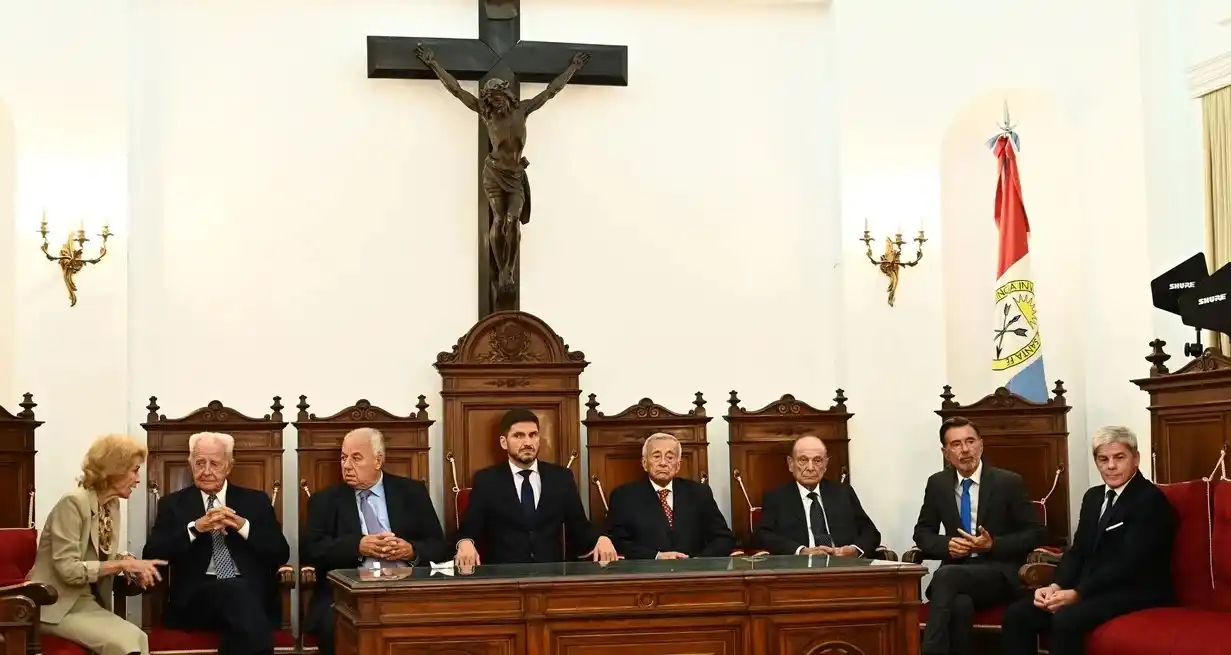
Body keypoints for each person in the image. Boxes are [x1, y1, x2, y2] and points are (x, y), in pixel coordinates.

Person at [1001, 426, 1175, 655]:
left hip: (1135, 591)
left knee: (1067, 619)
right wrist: (1056, 586)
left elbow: (1129, 562)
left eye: (1119, 457)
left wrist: (1079, 593)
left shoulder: (1149, 499)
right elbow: (1078, 551)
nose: (1111, 466)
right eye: (1103, 459)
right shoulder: (1093, 497)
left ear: (1136, 459)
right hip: (1093, 589)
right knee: (1017, 614)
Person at [304, 428, 449, 655]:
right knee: (336, 627)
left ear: (378, 460)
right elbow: (311, 550)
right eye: (343, 457)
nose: (346, 465)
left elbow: (439, 546)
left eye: (356, 458)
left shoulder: (412, 492)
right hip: (347, 593)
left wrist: (411, 551)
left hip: (406, 587)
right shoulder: (325, 501)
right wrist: (358, 546)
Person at [143, 432, 290, 655]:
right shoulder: (173, 505)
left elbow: (280, 553)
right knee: (236, 592)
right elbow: (152, 553)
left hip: (252, 598)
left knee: (241, 611)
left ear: (229, 467)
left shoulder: (255, 501)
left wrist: (242, 527)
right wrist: (196, 528)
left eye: (215, 464)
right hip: (197, 601)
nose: (207, 471)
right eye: (200, 463)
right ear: (190, 464)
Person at [913, 417, 1046, 655]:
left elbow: (1036, 533)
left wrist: (993, 544)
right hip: (956, 575)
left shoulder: (1008, 482)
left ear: (981, 445)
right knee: (960, 605)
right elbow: (922, 533)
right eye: (956, 444)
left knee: (946, 577)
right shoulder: (937, 484)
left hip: (997, 573)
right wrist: (946, 545)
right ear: (946, 453)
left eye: (970, 441)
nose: (965, 450)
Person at [28, 434, 165, 655]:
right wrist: (121, 567)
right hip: (55, 606)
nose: (138, 479)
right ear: (114, 469)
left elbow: (102, 556)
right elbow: (68, 569)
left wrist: (126, 560)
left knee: (139, 637)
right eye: (134, 470)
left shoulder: (112, 505)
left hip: (86, 601)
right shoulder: (72, 503)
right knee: (124, 644)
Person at [454, 408, 619, 566]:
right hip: (503, 577)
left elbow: (579, 526)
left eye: (533, 435)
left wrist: (601, 539)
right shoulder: (487, 480)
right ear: (504, 442)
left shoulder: (561, 478)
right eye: (518, 436)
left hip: (551, 575)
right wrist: (465, 542)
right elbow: (470, 526)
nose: (527, 442)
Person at [604, 433, 735, 559]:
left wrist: (697, 561)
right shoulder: (623, 496)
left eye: (670, 457)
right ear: (644, 463)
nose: (663, 463)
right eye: (656, 456)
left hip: (693, 573)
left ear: (678, 465)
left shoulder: (699, 493)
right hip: (646, 573)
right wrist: (656, 557)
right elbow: (617, 541)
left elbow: (723, 538)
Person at [753, 435, 881, 557]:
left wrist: (855, 550)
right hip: (799, 569)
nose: (810, 468)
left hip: (842, 567)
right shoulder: (777, 497)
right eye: (803, 460)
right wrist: (801, 551)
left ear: (825, 464)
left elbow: (871, 532)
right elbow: (762, 535)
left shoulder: (843, 493)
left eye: (817, 460)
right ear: (791, 464)